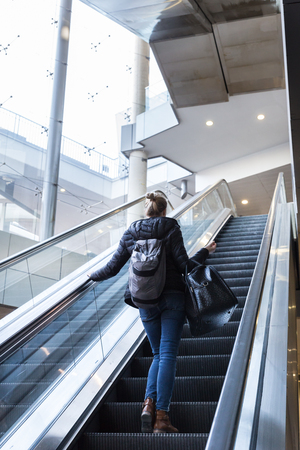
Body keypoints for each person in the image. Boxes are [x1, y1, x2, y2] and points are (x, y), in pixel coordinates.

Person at [88, 192, 216, 433]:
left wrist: (90, 275)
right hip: (172, 299)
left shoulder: (130, 232)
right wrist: (205, 252)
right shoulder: (170, 228)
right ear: (164, 211)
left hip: (144, 300)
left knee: (158, 354)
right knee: (167, 355)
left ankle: (148, 404)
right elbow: (184, 265)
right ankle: (161, 417)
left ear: (146, 210)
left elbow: (113, 267)